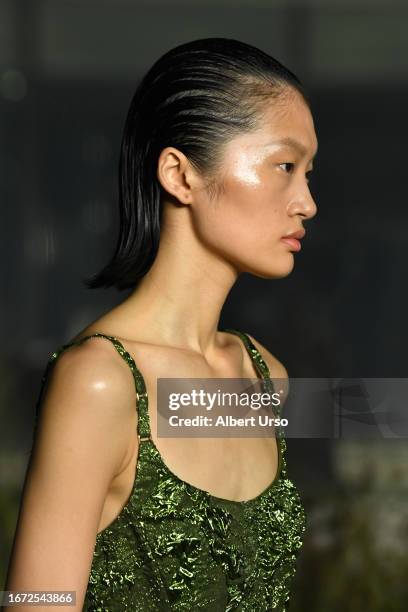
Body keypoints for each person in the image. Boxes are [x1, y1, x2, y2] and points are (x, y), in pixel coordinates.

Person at [5, 37, 318, 611]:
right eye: (284, 165)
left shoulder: (266, 377)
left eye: (308, 172)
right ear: (180, 174)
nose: (307, 202)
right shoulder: (100, 381)